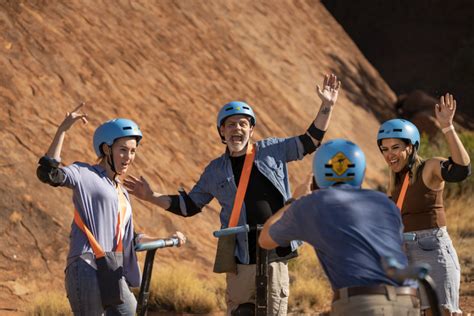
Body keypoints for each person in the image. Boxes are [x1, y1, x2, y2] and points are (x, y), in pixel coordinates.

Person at [123, 74, 341, 315]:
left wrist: (327, 106)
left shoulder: (272, 150)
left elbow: (310, 141)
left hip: (275, 256)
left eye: (242, 123)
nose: (237, 128)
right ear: (222, 132)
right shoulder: (215, 171)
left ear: (251, 129)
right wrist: (151, 195)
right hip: (240, 262)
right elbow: (190, 206)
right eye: (230, 124)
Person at [36, 103, 186, 316]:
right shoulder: (85, 173)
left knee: (130, 312)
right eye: (123, 150)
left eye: (133, 151)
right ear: (107, 149)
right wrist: (62, 130)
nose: (129, 157)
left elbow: (130, 240)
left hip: (112, 269)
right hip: (86, 265)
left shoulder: (122, 192)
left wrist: (166, 239)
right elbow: (48, 174)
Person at [259, 138, 420, 316]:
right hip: (408, 301)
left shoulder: (311, 204)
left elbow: (265, 238)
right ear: (361, 171)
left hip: (362, 304)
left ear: (318, 174)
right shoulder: (385, 203)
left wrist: (295, 201)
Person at [376, 93, 471, 316]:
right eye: (385, 149)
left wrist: (447, 128)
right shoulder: (394, 184)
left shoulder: (429, 168)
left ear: (411, 147)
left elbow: (461, 170)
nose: (389, 154)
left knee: (442, 312)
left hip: (432, 251)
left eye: (395, 147)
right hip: (402, 255)